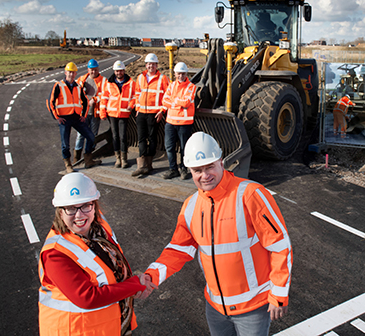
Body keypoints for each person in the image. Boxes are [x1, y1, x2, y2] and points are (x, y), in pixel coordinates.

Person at [142, 132, 292, 336]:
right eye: (197, 170)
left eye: (209, 167)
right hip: (215, 309)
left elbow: (279, 245)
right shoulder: (191, 206)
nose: (205, 175)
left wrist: (279, 293)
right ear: (190, 171)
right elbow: (178, 250)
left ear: (221, 163)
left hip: (253, 309)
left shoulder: (250, 194)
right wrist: (152, 276)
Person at [38, 172, 150, 335]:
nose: (79, 215)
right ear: (60, 212)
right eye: (70, 208)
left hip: (107, 326)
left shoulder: (99, 226)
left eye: (85, 205)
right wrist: (135, 285)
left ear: (94, 205)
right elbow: (87, 297)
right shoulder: (55, 254)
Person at [46, 62, 101, 173]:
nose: (71, 74)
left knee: (90, 137)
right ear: (66, 73)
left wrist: (83, 116)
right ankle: (68, 164)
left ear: (76, 73)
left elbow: (85, 101)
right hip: (64, 119)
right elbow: (50, 102)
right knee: (65, 144)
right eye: (69, 72)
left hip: (76, 118)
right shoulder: (59, 85)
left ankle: (88, 159)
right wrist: (57, 117)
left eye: (73, 72)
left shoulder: (78, 87)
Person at [132, 53, 169, 178]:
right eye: (148, 64)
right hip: (141, 113)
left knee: (152, 138)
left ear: (156, 65)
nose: (150, 66)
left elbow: (167, 96)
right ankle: (141, 165)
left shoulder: (162, 79)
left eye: (153, 64)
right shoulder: (140, 77)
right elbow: (137, 94)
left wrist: (162, 110)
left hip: (154, 114)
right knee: (141, 138)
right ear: (146, 65)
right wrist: (137, 108)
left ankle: (149, 164)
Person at [159, 62, 196, 180]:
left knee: (184, 148)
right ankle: (173, 169)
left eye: (183, 73)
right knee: (169, 147)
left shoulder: (191, 87)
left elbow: (186, 102)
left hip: (185, 123)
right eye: (179, 73)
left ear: (186, 74)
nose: (181, 76)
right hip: (170, 122)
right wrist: (178, 103)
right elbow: (164, 101)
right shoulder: (171, 86)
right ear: (175, 74)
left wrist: (173, 102)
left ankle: (184, 169)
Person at [100, 60, 137, 169]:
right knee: (115, 136)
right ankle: (118, 158)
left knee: (123, 136)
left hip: (124, 114)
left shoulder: (131, 83)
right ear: (114, 71)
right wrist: (103, 113)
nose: (119, 73)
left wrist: (131, 104)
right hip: (112, 114)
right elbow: (104, 98)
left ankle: (124, 159)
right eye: (117, 71)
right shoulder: (109, 83)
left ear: (124, 71)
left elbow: (136, 96)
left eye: (120, 71)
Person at [73, 59, 106, 164]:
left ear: (98, 69)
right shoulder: (82, 80)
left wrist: (95, 99)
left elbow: (105, 94)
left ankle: (88, 158)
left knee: (92, 136)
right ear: (88, 69)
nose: (93, 72)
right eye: (91, 70)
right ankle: (76, 159)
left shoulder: (103, 81)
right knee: (80, 135)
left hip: (95, 113)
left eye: (95, 70)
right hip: (83, 113)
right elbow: (74, 92)